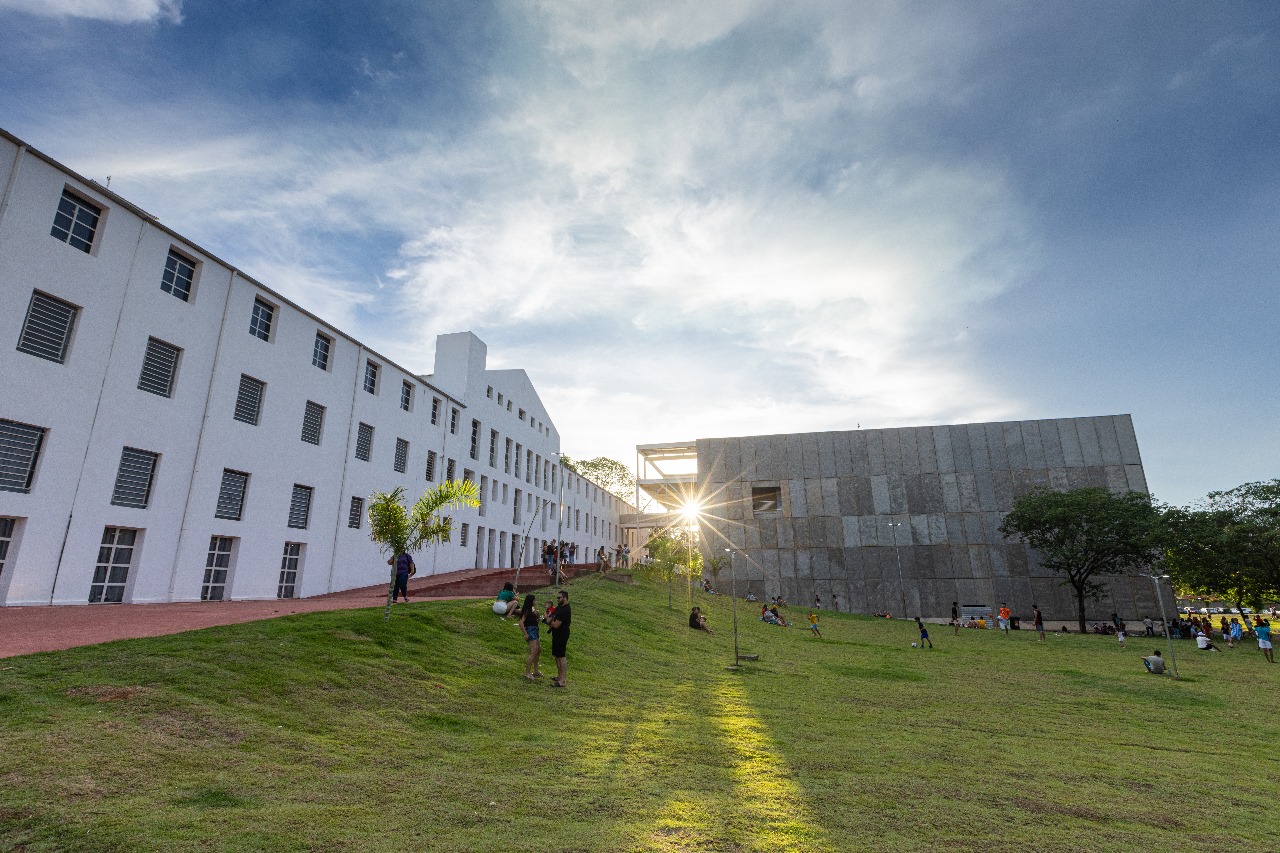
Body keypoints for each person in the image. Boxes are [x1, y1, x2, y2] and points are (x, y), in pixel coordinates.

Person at [548, 589, 572, 687]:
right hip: (556, 634)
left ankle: (563, 680)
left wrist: (549, 621)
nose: (557, 599)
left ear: (565, 598)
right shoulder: (559, 607)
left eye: (559, 598)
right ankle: (559, 676)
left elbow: (556, 625)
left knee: (561, 656)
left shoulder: (565, 609)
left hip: (562, 634)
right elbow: (552, 616)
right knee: (557, 655)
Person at [520, 594, 543, 680]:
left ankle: (536, 671)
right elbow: (521, 622)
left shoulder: (532, 610)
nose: (535, 601)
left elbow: (536, 620)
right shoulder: (526, 610)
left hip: (535, 630)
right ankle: (527, 672)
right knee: (533, 652)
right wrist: (525, 634)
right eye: (534, 600)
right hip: (530, 630)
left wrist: (537, 615)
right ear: (530, 601)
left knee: (538, 650)